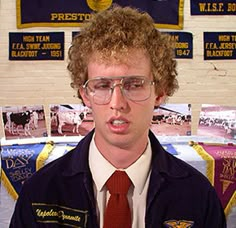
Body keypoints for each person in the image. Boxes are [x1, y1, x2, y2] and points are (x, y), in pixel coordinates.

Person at [10, 5, 226, 228]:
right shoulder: (40, 193)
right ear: (85, 94)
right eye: (102, 85)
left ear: (160, 92)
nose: (117, 104)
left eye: (134, 85)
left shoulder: (198, 197)